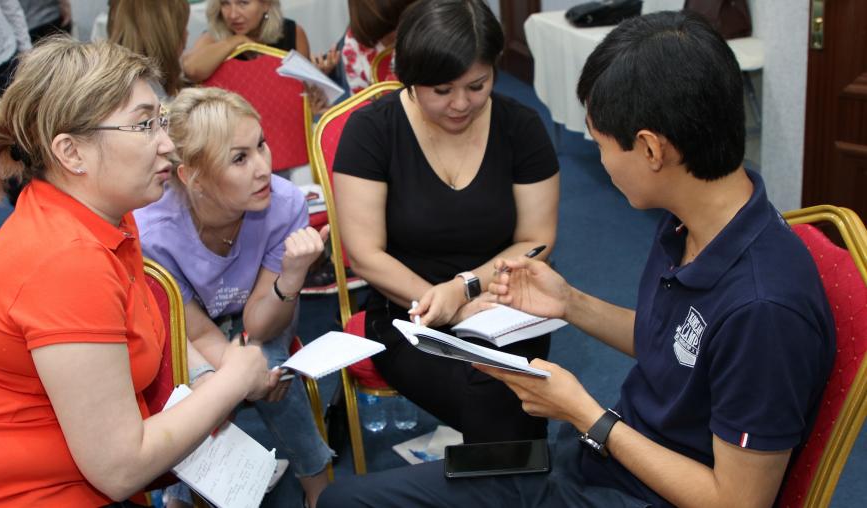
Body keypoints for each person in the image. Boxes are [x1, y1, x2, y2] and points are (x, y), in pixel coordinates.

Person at [318, 11, 836, 508]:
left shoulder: (764, 310)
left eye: (600, 143)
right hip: (597, 462)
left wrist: (586, 415)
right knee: (348, 498)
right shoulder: (694, 223)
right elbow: (676, 348)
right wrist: (570, 303)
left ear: (650, 150)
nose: (600, 160)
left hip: (624, 486)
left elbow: (736, 501)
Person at [0, 38, 280, 506]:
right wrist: (234, 379)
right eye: (144, 125)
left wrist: (203, 373)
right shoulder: (66, 260)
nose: (168, 144)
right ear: (71, 153)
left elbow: (139, 328)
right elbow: (120, 469)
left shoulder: (102, 217)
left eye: (161, 120)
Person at [333, 0, 561, 444]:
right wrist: (442, 304)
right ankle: (524, 475)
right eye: (441, 90)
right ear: (409, 78)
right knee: (499, 399)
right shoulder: (372, 131)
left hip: (504, 301)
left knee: (507, 386)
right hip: (407, 311)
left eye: (477, 86)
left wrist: (462, 290)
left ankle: (511, 474)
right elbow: (365, 255)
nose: (460, 104)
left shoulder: (520, 127)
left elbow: (536, 240)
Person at [134, 86, 333, 508]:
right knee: (202, 389)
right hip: (194, 325)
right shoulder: (153, 233)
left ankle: (318, 480)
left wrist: (293, 275)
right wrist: (232, 380)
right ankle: (184, 493)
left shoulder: (285, 204)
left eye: (261, 145)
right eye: (240, 159)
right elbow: (195, 331)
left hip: (262, 310)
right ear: (192, 177)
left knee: (272, 365)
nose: (263, 168)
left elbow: (260, 323)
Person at [181, 0, 339, 83]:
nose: (233, 15)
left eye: (243, 3)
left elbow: (303, 91)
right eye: (225, 3)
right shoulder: (214, 37)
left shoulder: (292, 32)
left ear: (266, 4)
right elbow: (191, 70)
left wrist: (319, 77)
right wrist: (236, 41)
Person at [108, 0, 190, 98]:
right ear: (167, 37)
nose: (187, 34)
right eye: (184, 28)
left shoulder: (119, 80)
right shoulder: (150, 95)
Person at [338, 0, 417, 95]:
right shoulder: (353, 48)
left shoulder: (425, 20)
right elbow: (363, 101)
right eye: (391, 29)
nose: (399, 32)